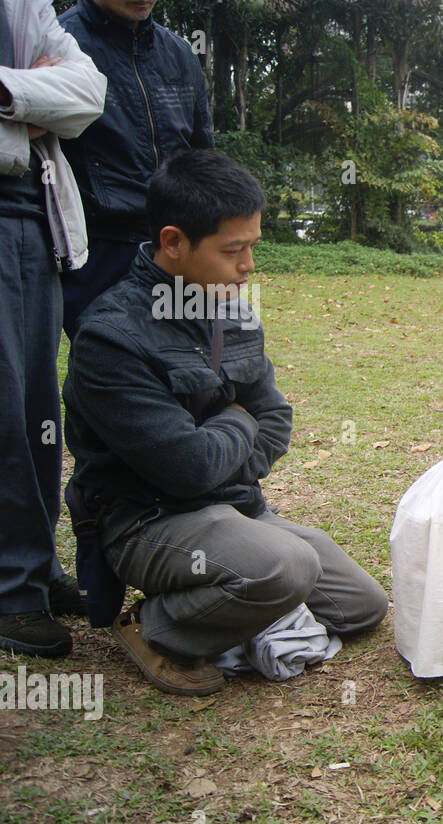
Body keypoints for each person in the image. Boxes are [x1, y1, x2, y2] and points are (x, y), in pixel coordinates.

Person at [64, 150, 388, 695]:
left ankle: (239, 597)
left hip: (236, 505)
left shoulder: (230, 310)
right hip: (150, 522)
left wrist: (225, 443)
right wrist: (238, 420)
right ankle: (154, 627)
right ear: (173, 242)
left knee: (361, 606)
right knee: (285, 568)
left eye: (252, 247)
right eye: (232, 250)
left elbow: (276, 418)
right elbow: (187, 470)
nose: (248, 267)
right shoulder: (111, 338)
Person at [0, 0, 106, 658]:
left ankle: (35, 570)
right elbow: (55, 102)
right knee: (5, 410)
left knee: (39, 406)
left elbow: (86, 93)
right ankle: (12, 592)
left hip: (32, 216)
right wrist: (34, 98)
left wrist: (8, 88)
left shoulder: (23, 4)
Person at [58, 0, 214, 338]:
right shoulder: (61, 44)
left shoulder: (179, 53)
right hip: (97, 249)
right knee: (110, 366)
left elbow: (202, 154)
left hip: (175, 244)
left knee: (187, 365)